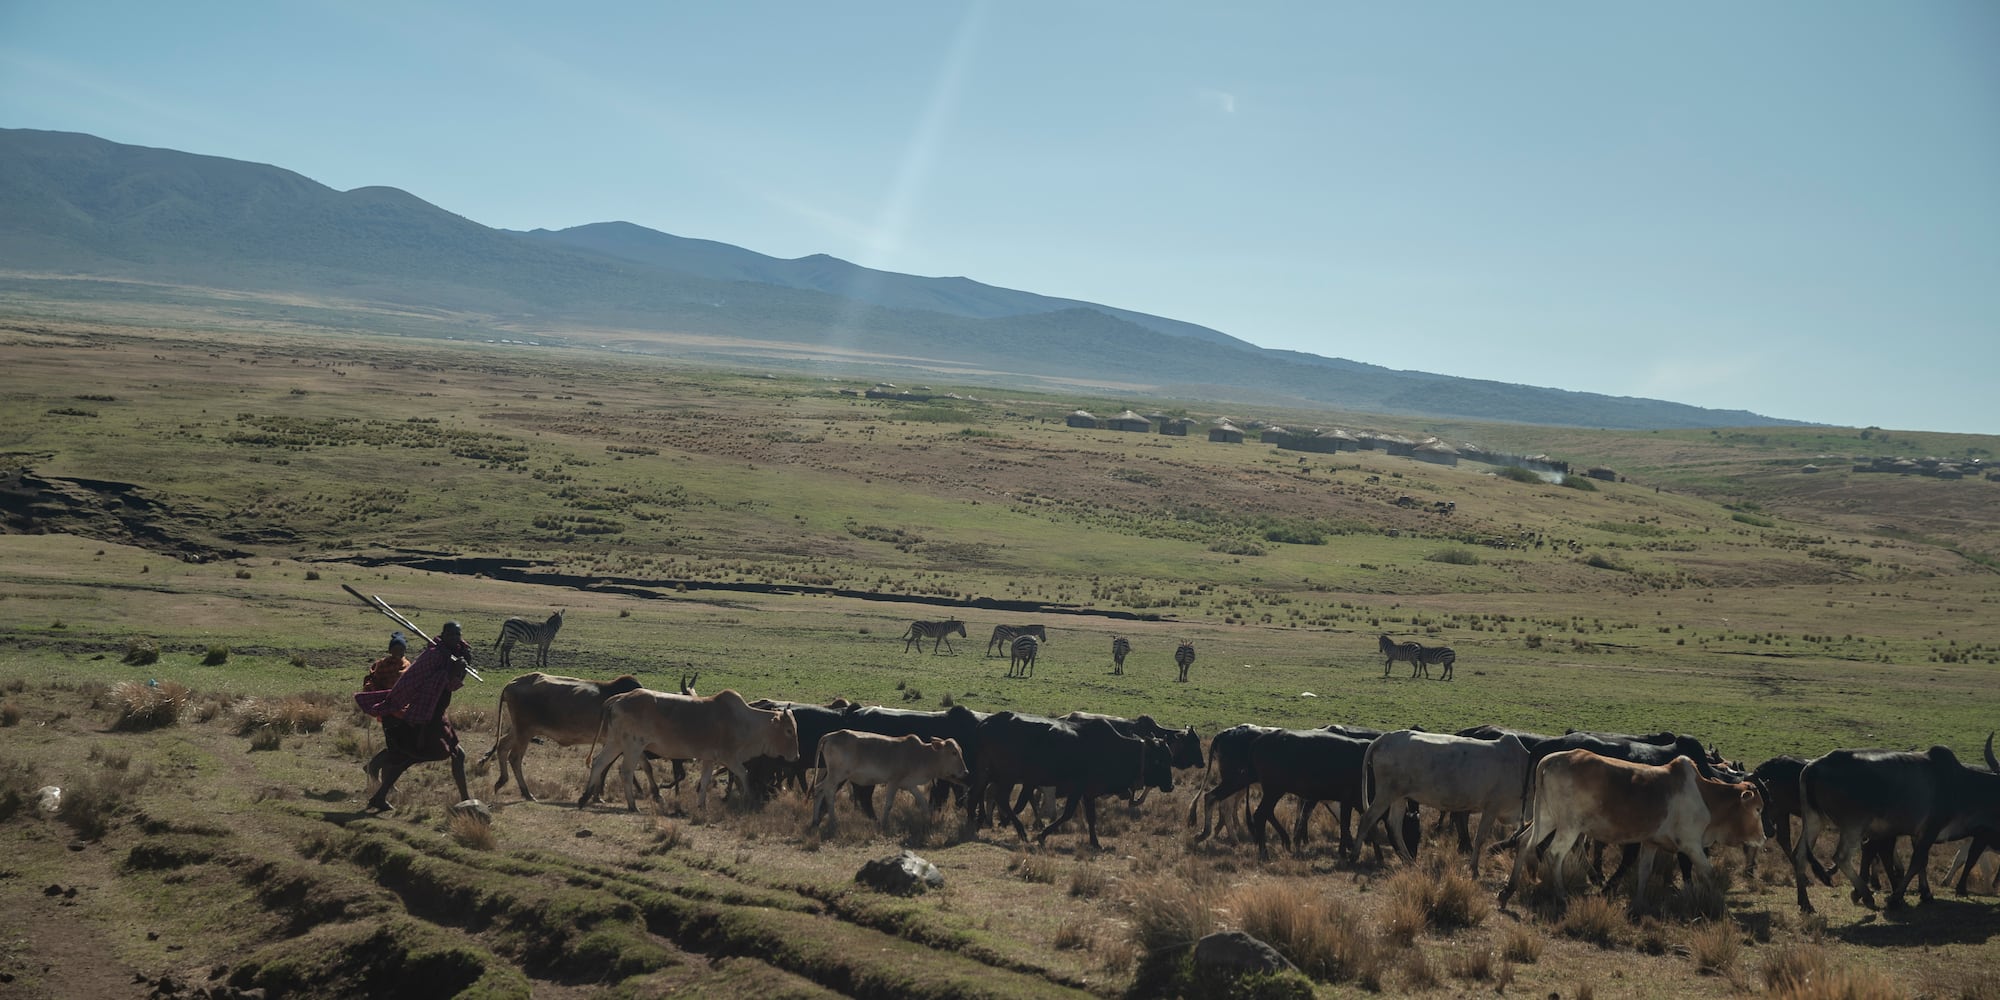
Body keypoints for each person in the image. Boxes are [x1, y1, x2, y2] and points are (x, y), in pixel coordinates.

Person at [357, 621, 472, 813]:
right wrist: (450, 670)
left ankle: (379, 796)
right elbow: (414, 682)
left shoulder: (453, 656)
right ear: (442, 635)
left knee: (411, 758)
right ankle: (466, 801)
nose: (454, 639)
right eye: (450, 635)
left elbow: (452, 684)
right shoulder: (432, 656)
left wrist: (461, 668)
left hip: (437, 715)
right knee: (449, 754)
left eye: (457, 635)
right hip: (425, 716)